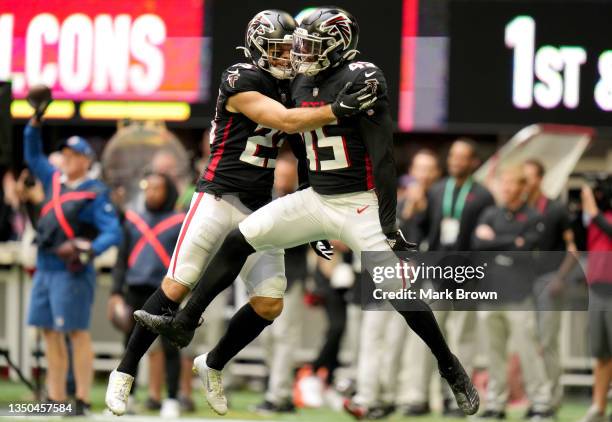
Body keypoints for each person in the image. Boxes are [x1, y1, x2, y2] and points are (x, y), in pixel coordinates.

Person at [136, 7, 479, 418]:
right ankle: (186, 320)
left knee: (399, 291)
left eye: (313, 46)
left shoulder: (362, 77)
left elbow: (383, 157)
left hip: (360, 203)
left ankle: (450, 366)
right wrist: (305, 206)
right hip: (317, 198)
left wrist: (388, 224)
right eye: (301, 46)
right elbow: (300, 147)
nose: (302, 54)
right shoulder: (300, 82)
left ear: (339, 47)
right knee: (240, 237)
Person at [104, 9, 375, 416]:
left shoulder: (295, 86)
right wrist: (340, 108)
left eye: (292, 49)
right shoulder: (240, 77)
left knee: (269, 303)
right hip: (218, 197)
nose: (290, 57)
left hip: (259, 205)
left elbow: (305, 146)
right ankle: (124, 373)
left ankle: (212, 364)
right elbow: (283, 120)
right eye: (281, 50)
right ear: (258, 48)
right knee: (178, 285)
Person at [24, 117, 122, 415]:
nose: (66, 159)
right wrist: (33, 124)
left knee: (76, 333)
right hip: (45, 266)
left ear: (85, 160)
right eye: (64, 154)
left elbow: (112, 231)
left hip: (71, 271)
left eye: (72, 155)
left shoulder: (95, 191)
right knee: (49, 332)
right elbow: (33, 155)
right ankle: (55, 398)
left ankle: (81, 398)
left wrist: (88, 249)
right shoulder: (53, 179)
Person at [404, 139, 494, 417]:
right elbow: (421, 228)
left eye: (462, 157)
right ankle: (416, 396)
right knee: (426, 335)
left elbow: (484, 239)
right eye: (452, 156)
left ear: (473, 162)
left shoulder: (483, 195)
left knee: (463, 338)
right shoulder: (437, 190)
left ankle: (458, 398)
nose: (455, 161)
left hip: (466, 275)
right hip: (435, 273)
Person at [472, 166, 552, 420]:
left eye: (510, 184)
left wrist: (496, 241)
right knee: (493, 353)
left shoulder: (532, 216)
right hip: (490, 292)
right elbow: (478, 244)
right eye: (502, 183)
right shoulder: (490, 213)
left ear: (522, 188)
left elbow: (525, 248)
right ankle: (496, 403)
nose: (505, 189)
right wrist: (511, 241)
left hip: (519, 295)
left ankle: (541, 403)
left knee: (528, 350)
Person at [108, 173, 184, 417]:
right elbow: (121, 260)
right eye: (148, 188)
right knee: (131, 345)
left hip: (166, 292)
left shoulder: (179, 221)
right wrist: (115, 292)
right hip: (135, 290)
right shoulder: (133, 220)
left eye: (157, 188)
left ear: (168, 191)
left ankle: (171, 398)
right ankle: (126, 398)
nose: (151, 193)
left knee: (170, 345)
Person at [254, 157, 309, 413]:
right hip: (263, 277)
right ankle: (273, 388)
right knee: (266, 338)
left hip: (292, 277)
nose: (284, 181)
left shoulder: (303, 203)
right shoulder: (264, 199)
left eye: (289, 177)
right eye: (281, 176)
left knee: (285, 336)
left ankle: (280, 395)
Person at [523, 158, 577, 412]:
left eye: (529, 178)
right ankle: (537, 399)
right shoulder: (521, 210)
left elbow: (572, 249)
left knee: (547, 343)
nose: (525, 183)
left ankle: (552, 400)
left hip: (549, 282)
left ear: (540, 178)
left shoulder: (555, 209)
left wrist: (560, 278)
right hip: (525, 284)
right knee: (528, 342)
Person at [578, 181, 612, 422]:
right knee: (601, 352)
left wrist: (592, 209)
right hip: (597, 291)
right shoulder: (594, 218)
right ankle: (598, 407)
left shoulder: (600, 217)